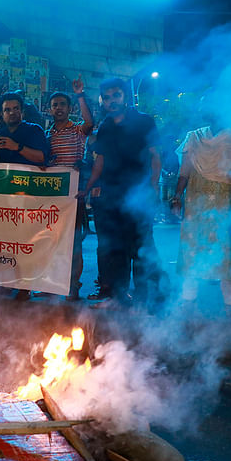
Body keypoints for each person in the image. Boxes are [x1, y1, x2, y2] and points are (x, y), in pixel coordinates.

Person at [78, 78, 163, 308]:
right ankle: (117, 296)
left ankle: (147, 299)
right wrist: (87, 188)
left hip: (138, 193)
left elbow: (156, 155)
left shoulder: (144, 121)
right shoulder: (106, 125)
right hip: (110, 195)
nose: (111, 101)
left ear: (126, 96)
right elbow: (100, 160)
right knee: (114, 246)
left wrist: (154, 186)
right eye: (106, 97)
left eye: (116, 95)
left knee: (141, 245)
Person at [173, 102, 231, 318]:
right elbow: (184, 171)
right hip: (197, 203)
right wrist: (176, 196)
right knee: (193, 252)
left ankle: (230, 306)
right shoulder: (195, 137)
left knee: (227, 254)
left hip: (228, 203)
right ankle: (188, 302)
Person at [0, 91, 51, 301]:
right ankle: (5, 284)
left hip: (30, 197)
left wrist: (17, 147)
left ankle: (26, 286)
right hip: (5, 199)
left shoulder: (34, 130)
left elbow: (42, 158)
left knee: (27, 243)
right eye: (7, 110)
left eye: (15, 109)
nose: (11, 113)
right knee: (4, 244)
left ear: (22, 111)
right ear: (2, 113)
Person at [45, 76, 94, 300]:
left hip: (74, 197)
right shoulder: (47, 135)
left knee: (73, 244)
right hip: (53, 197)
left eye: (62, 104)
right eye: (54, 105)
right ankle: (51, 284)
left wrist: (80, 95)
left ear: (69, 108)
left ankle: (73, 286)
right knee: (51, 242)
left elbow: (90, 124)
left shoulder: (76, 130)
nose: (58, 108)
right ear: (50, 109)